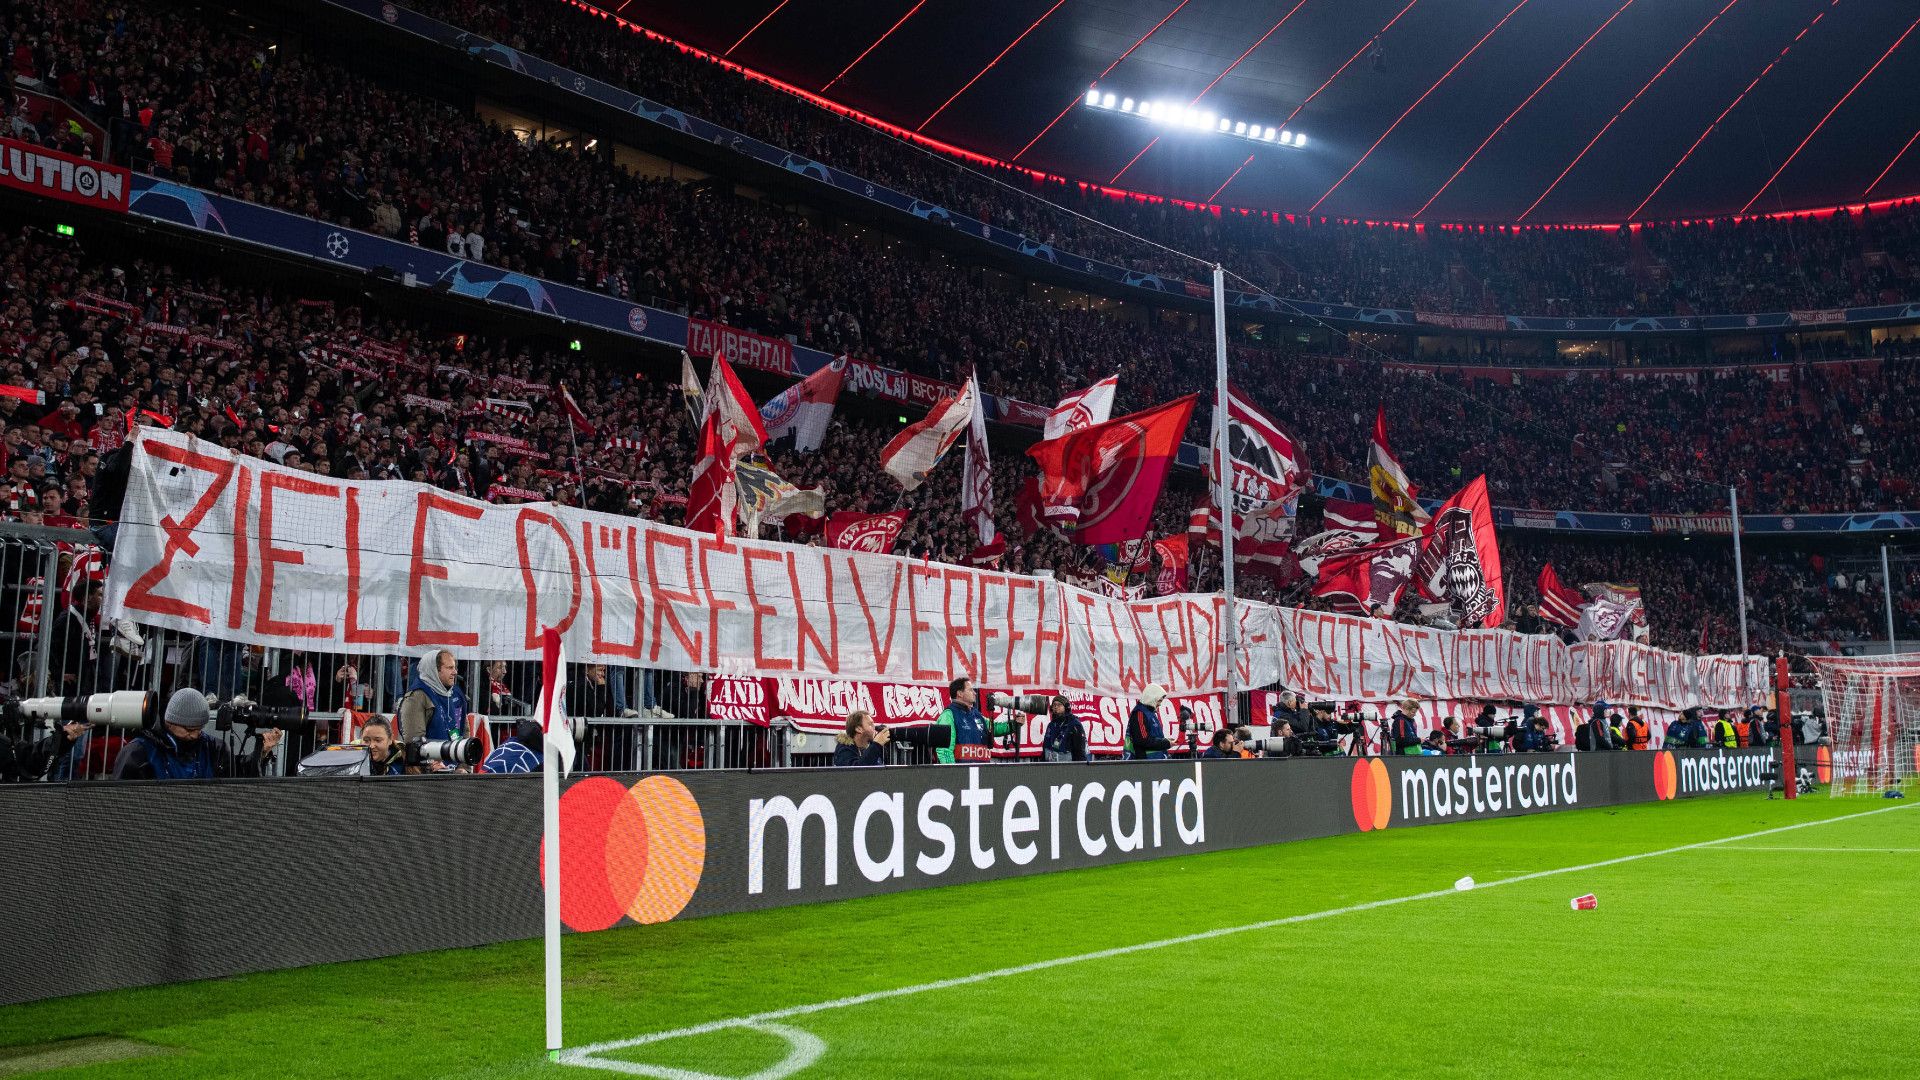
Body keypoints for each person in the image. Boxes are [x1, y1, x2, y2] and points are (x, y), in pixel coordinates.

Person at [112, 688, 279, 780]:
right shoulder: (139, 752)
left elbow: (234, 775)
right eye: (189, 729)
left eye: (199, 729)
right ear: (170, 722)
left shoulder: (214, 747)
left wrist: (260, 752)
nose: (194, 735)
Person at [933, 676, 1014, 764]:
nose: (974, 693)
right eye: (970, 690)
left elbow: (995, 728)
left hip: (982, 772)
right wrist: (953, 774)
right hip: (962, 774)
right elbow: (944, 750)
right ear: (960, 693)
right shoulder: (948, 715)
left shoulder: (976, 714)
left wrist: (1015, 724)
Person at [397, 648, 470, 744]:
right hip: (430, 758)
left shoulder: (455, 693)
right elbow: (414, 742)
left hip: (454, 757)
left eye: (455, 667)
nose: (455, 672)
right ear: (435, 670)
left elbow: (464, 730)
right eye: (450, 668)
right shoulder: (416, 697)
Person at [1125, 683, 1173, 761]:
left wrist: (1166, 741)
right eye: (1159, 701)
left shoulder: (1150, 713)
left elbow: (1153, 737)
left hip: (1155, 761)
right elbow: (1143, 740)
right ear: (1152, 697)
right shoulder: (1139, 713)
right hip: (1146, 763)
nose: (1160, 704)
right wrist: (1165, 743)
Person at [1040, 696, 1088, 762]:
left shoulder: (1075, 724)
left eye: (1059, 705)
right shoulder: (1051, 725)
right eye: (1054, 705)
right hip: (1051, 767)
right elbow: (1045, 747)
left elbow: (1080, 750)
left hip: (1069, 768)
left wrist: (1080, 768)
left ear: (1066, 707)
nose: (1056, 707)